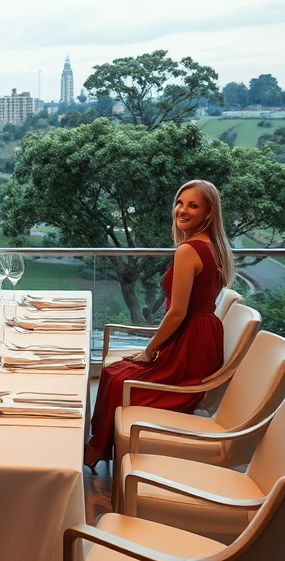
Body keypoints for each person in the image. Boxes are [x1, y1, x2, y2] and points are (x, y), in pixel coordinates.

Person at [84, 179, 235, 474]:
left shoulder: (189, 250)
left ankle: (96, 448)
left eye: (193, 205)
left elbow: (177, 313)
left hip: (189, 343)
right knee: (115, 373)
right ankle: (98, 447)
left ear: (209, 212)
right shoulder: (214, 247)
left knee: (117, 378)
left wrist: (150, 350)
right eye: (179, 203)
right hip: (202, 338)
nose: (182, 210)